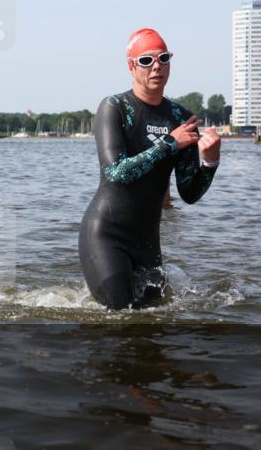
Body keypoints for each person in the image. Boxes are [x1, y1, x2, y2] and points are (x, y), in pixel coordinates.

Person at [79, 28, 220, 310]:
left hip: (147, 243)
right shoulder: (114, 107)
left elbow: (189, 193)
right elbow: (116, 172)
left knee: (153, 322)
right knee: (120, 318)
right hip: (107, 235)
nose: (157, 66)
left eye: (163, 58)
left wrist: (210, 162)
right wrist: (170, 143)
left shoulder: (179, 117)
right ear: (131, 67)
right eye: (146, 60)